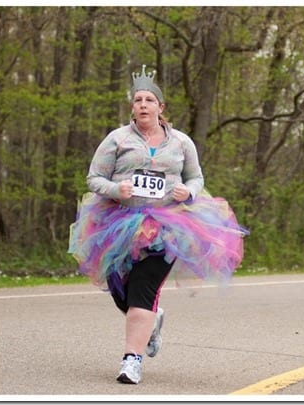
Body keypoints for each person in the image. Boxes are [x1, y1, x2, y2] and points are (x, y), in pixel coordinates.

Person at [68, 65, 247, 384]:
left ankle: (131, 361)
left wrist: (188, 191)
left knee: (142, 289)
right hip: (116, 223)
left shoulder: (180, 142)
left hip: (168, 224)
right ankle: (153, 318)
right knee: (121, 292)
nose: (143, 104)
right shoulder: (117, 139)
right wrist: (115, 189)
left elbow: (196, 177)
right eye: (138, 100)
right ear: (133, 108)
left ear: (160, 107)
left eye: (149, 99)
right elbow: (94, 178)